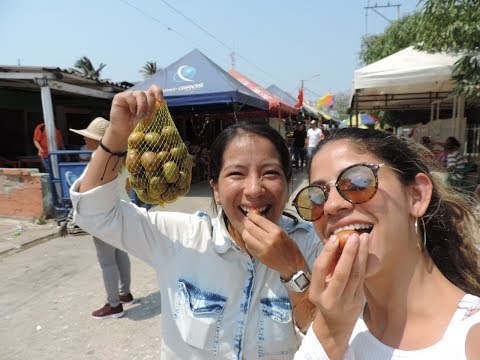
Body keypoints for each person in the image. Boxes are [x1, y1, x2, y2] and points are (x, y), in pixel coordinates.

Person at [70, 85, 322, 358]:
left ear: (288, 184)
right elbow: (95, 213)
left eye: (270, 173)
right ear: (215, 188)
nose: (253, 189)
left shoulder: (312, 246)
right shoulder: (179, 237)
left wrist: (293, 269)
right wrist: (117, 135)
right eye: (236, 174)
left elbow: (330, 339)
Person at [291, 128, 480, 359]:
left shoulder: (471, 338)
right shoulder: (335, 320)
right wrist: (329, 333)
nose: (331, 206)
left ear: (416, 196)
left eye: (358, 182)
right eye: (317, 196)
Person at [70, 117, 134, 319]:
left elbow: (86, 189)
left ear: (99, 141)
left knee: (107, 262)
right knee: (120, 255)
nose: (85, 141)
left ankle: (113, 305)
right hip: (122, 212)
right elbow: (127, 187)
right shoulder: (121, 158)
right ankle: (125, 294)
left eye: (88, 137)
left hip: (104, 216)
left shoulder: (98, 161)